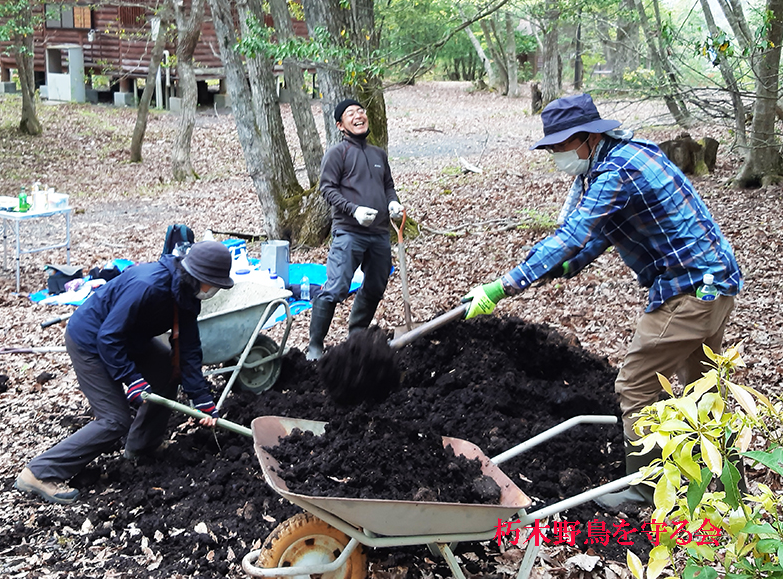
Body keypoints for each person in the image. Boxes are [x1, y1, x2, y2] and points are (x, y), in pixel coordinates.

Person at [462, 93, 742, 508]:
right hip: (714, 282)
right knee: (703, 386)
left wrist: (503, 286)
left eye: (560, 146)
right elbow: (597, 236)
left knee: (635, 384)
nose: (557, 155)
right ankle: (727, 476)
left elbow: (572, 235)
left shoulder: (617, 171)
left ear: (586, 138)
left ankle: (644, 492)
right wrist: (562, 269)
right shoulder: (622, 157)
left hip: (689, 291)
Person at [14, 241, 234, 504]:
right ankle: (40, 472)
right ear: (194, 275)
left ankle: (143, 445)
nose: (212, 290)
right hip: (91, 341)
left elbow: (187, 348)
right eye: (211, 283)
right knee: (115, 419)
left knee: (167, 368)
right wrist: (131, 379)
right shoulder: (149, 286)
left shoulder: (186, 294)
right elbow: (108, 337)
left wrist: (203, 400)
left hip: (128, 338)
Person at [307, 99, 403, 361]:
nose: (358, 115)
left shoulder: (378, 154)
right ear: (340, 125)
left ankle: (356, 335)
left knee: (375, 285)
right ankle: (315, 345)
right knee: (337, 286)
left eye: (361, 111)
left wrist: (393, 201)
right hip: (349, 231)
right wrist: (354, 210)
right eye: (351, 114)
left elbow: (388, 185)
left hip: (380, 233)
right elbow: (326, 188)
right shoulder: (337, 153)